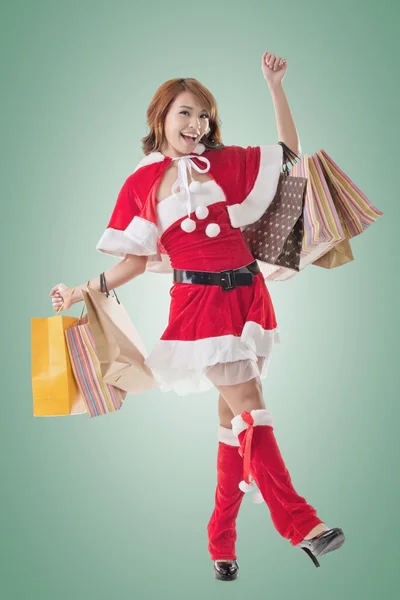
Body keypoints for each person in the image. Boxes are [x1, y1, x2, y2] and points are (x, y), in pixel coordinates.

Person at [50, 51, 345, 580]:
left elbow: (286, 156)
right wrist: (79, 290)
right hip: (200, 308)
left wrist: (275, 86)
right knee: (252, 406)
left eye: (204, 115)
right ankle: (302, 525)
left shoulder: (222, 163)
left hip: (249, 297)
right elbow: (134, 261)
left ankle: (221, 543)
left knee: (234, 423)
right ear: (161, 116)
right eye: (186, 113)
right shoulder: (142, 182)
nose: (197, 124)